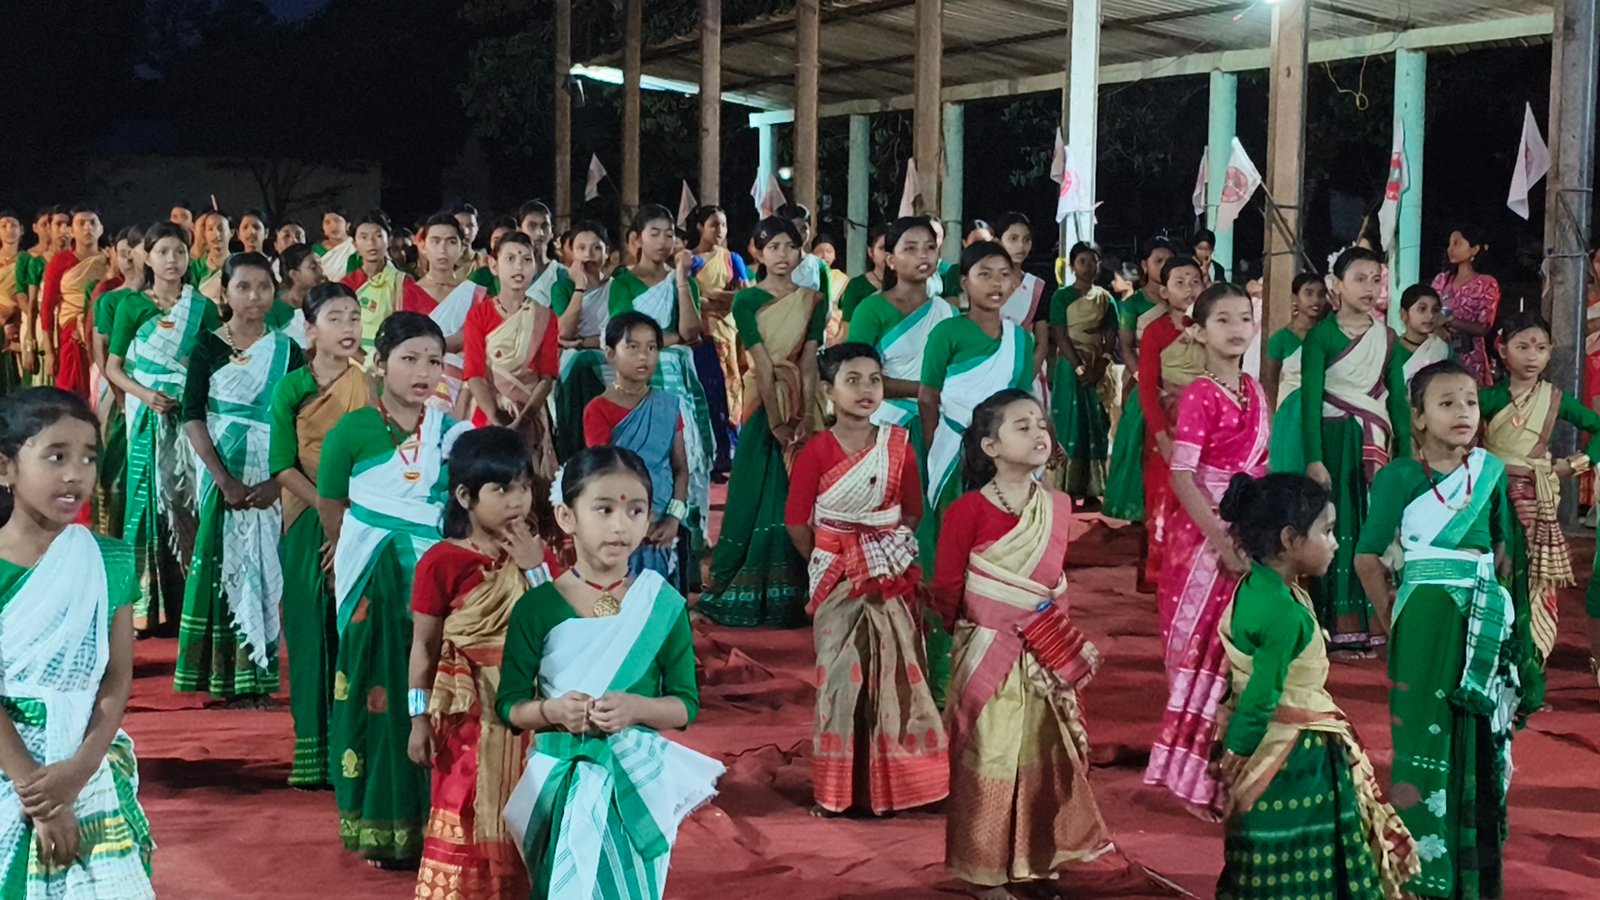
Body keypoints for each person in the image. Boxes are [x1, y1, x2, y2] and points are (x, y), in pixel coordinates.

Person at [499, 448, 723, 900]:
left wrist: (636, 708)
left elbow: (685, 705)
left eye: (635, 511)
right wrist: (553, 711)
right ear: (566, 516)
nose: (621, 526)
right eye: (603, 510)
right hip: (559, 781)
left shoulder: (661, 605)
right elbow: (510, 706)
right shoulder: (536, 608)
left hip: (633, 786)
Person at [1353, 360, 1532, 899]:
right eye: (1447, 403)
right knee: (1423, 738)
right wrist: (1395, 621)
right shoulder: (1398, 477)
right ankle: (1422, 877)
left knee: (1479, 739)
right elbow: (1366, 556)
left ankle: (1472, 874)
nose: (1463, 413)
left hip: (1483, 619)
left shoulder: (1490, 473)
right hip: (1424, 621)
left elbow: (1503, 551)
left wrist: (1506, 625)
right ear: (1418, 417)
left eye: (1471, 402)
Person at [934, 389, 1116, 899]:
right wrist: (977, 636)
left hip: (1042, 654)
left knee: (1043, 754)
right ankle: (984, 872)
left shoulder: (1056, 506)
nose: (1039, 432)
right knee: (990, 757)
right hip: (988, 653)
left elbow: (1054, 586)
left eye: (1041, 423)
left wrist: (1050, 641)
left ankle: (1035, 861)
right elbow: (948, 587)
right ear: (990, 446)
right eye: (1022, 426)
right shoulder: (967, 511)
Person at [1213, 472, 1418, 900]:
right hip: (1293, 758)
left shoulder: (1257, 587)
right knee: (1310, 860)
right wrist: (1236, 755)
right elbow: (1263, 696)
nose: (1336, 543)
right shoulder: (1283, 614)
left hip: (1274, 743)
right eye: (1327, 532)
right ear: (1290, 539)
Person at [321, 312, 469, 866]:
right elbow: (332, 503)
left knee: (437, 691)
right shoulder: (351, 431)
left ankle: (441, 821)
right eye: (409, 359)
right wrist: (356, 551)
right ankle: (382, 824)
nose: (423, 372)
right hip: (373, 581)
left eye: (434, 360)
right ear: (379, 364)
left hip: (435, 581)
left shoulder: (450, 433)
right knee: (375, 691)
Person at [0, 387, 157, 898]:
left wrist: (77, 773)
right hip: (10, 762)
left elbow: (116, 677)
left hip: (84, 763)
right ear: (5, 468)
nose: (76, 474)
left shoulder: (109, 560)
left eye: (89, 458)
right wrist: (39, 794)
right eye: (56, 457)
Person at [785, 343, 946, 816]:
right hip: (836, 574)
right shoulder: (815, 451)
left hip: (888, 573)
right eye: (852, 380)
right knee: (840, 678)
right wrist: (835, 560)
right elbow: (797, 522)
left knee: (898, 675)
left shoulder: (899, 446)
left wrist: (878, 552)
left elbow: (911, 511)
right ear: (828, 391)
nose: (866, 390)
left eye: (874, 380)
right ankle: (839, 792)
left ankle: (900, 787)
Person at [1144, 282, 1269, 819]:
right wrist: (1221, 539)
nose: (1237, 328)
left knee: (1240, 656)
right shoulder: (1199, 393)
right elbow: (1182, 475)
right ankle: (1192, 776)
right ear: (1197, 331)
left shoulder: (1255, 390)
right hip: (1201, 540)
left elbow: (1261, 468)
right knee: (1199, 651)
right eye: (1223, 320)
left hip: (1250, 532)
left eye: (1244, 318)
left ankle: (1232, 775)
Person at [408, 427, 548, 900]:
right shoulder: (441, 562)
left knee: (527, 809)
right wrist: (417, 719)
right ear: (465, 497)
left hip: (530, 709)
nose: (518, 500)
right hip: (466, 713)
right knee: (464, 806)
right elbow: (424, 648)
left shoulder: (537, 556)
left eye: (524, 486)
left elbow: (561, 625)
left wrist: (534, 566)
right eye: (502, 489)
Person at [172, 252, 302, 703]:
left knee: (264, 568)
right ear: (224, 293)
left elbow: (297, 421)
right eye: (243, 287)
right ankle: (221, 676)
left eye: (263, 287)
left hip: (270, 471)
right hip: (221, 473)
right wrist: (223, 479)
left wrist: (278, 482)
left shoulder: (287, 350)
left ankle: (258, 675)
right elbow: (192, 416)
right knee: (222, 564)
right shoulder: (206, 347)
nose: (254, 296)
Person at [699, 216, 826, 629]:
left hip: (802, 399)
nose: (783, 255)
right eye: (773, 247)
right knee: (757, 488)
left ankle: (804, 590)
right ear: (758, 252)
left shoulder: (813, 300)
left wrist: (808, 415)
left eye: (790, 246)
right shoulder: (747, 301)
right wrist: (776, 422)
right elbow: (762, 361)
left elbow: (809, 361)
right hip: (762, 402)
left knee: (803, 493)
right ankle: (746, 584)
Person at [269, 282, 370, 788]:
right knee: (310, 631)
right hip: (307, 515)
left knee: (355, 631)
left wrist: (350, 522)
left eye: (354, 316)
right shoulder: (291, 388)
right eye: (335, 318)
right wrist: (328, 512)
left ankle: (355, 750)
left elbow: (377, 458)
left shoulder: (368, 385)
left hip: (362, 518)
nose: (348, 327)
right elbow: (282, 465)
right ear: (310, 330)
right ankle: (313, 754)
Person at [105, 224, 219, 634]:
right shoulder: (132, 306)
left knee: (189, 499)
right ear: (147, 258)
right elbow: (114, 368)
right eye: (163, 251)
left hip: (189, 417)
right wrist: (146, 395)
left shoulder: (202, 307)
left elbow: (212, 363)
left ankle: (190, 598)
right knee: (144, 504)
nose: (172, 260)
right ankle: (144, 609)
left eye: (180, 252)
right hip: (146, 417)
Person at [1302, 246, 1408, 656]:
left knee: (1373, 527)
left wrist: (1406, 459)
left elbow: (1398, 402)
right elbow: (1310, 401)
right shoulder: (1321, 336)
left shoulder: (1387, 338)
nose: (1370, 288)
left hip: (1374, 444)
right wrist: (1314, 458)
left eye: (1376, 280)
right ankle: (1335, 627)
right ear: (1337, 285)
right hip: (1333, 442)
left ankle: (1376, 625)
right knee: (1335, 527)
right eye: (1359, 279)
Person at [1482, 312, 1599, 680]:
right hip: (1493, 496)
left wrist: (1573, 465)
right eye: (1523, 347)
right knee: (1496, 572)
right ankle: (1493, 665)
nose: (1532, 356)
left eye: (1541, 348)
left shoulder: (1554, 399)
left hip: (1537, 501)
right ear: (1503, 351)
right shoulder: (1486, 398)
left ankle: (1531, 668)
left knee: (1536, 579)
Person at [607, 204, 713, 544]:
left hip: (676, 376)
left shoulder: (683, 281)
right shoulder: (622, 283)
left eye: (669, 234)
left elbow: (690, 332)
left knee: (683, 454)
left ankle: (686, 534)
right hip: (638, 376)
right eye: (654, 233)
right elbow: (625, 333)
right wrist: (667, 339)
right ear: (637, 240)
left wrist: (680, 281)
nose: (663, 241)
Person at [584, 313, 692, 592]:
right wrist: (632, 523)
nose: (644, 356)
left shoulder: (667, 405)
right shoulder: (598, 409)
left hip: (662, 524)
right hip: (620, 526)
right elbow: (602, 477)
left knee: (661, 600)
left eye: (651, 347)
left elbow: (680, 468)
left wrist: (673, 518)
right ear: (610, 354)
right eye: (632, 347)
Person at [846, 217, 955, 467]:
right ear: (891, 260)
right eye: (910, 248)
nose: (922, 255)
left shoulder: (947, 312)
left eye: (929, 247)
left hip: (941, 425)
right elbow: (859, 379)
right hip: (885, 424)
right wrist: (925, 390)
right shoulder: (871, 310)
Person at [461, 232, 559, 483]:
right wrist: (497, 419)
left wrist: (524, 420)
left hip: (530, 412)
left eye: (526, 259)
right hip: (487, 411)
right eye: (510, 258)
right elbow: (474, 374)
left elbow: (547, 376)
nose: (519, 267)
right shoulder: (479, 315)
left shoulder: (544, 316)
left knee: (532, 483)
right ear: (493, 265)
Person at [1137, 255, 1208, 595]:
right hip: (1167, 426)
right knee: (1163, 501)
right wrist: (1161, 436)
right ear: (1164, 291)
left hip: (1207, 425)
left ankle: (1199, 572)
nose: (1189, 288)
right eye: (1180, 282)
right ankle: (1164, 575)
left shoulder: (1213, 329)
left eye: (1195, 281)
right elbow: (1147, 389)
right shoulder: (1156, 331)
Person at [1102, 239, 1175, 555]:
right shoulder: (1133, 306)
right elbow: (1127, 346)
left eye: (1169, 260)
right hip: (1146, 382)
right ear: (1145, 265)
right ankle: (1138, 510)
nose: (1164, 266)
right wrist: (1144, 379)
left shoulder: (1183, 302)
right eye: (1158, 260)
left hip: (1179, 385)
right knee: (1138, 446)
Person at [1048, 241, 1113, 502]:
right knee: (1070, 424)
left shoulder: (1105, 298)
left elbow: (1111, 337)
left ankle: (1093, 487)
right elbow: (1059, 334)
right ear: (1072, 266)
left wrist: (1100, 367)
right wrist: (1078, 367)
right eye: (1082, 261)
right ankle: (1066, 487)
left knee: (1096, 425)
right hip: (1069, 366)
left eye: (1092, 261)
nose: (1088, 267)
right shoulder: (1061, 297)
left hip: (1097, 367)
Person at [553, 222, 616, 462]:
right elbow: (565, 332)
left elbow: (616, 332)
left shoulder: (616, 286)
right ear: (571, 253)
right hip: (574, 360)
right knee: (582, 364)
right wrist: (579, 288)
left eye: (596, 248)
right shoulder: (562, 287)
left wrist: (581, 342)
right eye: (581, 248)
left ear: (607, 252)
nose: (588, 255)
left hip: (612, 355)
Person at [689, 205, 750, 451]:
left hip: (727, 334)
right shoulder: (690, 261)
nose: (720, 230)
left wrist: (711, 296)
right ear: (700, 227)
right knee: (707, 390)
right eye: (714, 225)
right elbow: (689, 298)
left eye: (723, 225)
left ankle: (731, 448)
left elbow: (743, 297)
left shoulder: (733, 260)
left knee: (731, 389)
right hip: (700, 335)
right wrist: (725, 297)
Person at [341, 210, 438, 359]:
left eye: (378, 236)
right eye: (364, 237)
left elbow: (424, 323)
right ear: (354, 243)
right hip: (351, 360)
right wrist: (363, 361)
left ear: (388, 240)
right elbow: (337, 332)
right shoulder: (347, 285)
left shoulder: (403, 282)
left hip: (393, 360)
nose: (371, 243)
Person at [1264, 272, 1329, 474]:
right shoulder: (1281, 339)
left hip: (1325, 408)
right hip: (1290, 411)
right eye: (1308, 293)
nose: (1316, 300)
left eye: (1321, 294)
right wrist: (1273, 417)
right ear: (1294, 298)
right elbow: (1270, 382)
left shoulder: (1330, 335)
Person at [38, 205, 106, 399]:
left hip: (102, 334)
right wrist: (49, 352)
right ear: (71, 231)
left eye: (92, 223)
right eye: (81, 223)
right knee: (71, 395)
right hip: (71, 337)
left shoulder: (108, 261)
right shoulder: (60, 262)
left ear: (101, 229)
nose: (87, 228)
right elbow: (47, 308)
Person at [1431, 226, 1501, 386]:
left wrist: (1449, 320)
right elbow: (1430, 313)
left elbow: (1484, 328)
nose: (1450, 249)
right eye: (1449, 244)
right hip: (1439, 351)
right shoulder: (1441, 280)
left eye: (1457, 243)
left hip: (1470, 357)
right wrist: (1438, 327)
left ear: (1474, 249)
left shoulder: (1486, 284)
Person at [1391, 283, 1452, 392]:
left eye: (1435, 310)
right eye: (1422, 309)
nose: (1430, 316)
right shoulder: (1390, 350)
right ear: (1404, 314)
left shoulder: (1442, 349)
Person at [272, 243, 327, 350]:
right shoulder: (274, 310)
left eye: (320, 265)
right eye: (313, 267)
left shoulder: (328, 300)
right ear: (294, 275)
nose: (321, 271)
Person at [517, 200, 566, 305]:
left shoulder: (562, 273)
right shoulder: (511, 272)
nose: (540, 233)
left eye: (545, 226)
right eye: (532, 226)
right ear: (520, 230)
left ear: (552, 232)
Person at [838, 226, 888, 324]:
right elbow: (848, 327)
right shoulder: (857, 286)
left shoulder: (907, 285)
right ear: (870, 252)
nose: (887, 254)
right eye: (882, 248)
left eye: (893, 248)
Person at [0, 213, 27, 396]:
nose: (9, 230)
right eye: (3, 226)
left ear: (22, 230)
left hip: (21, 324)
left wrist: (14, 310)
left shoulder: (28, 260)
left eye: (13, 225)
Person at [188, 211, 232, 301]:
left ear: (231, 232)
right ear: (205, 234)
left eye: (221, 228)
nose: (216, 234)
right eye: (210, 229)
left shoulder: (239, 265)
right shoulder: (194, 268)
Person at [314, 207, 357, 282]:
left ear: (347, 225)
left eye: (337, 221)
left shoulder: (358, 246)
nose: (333, 226)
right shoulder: (315, 250)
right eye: (327, 222)